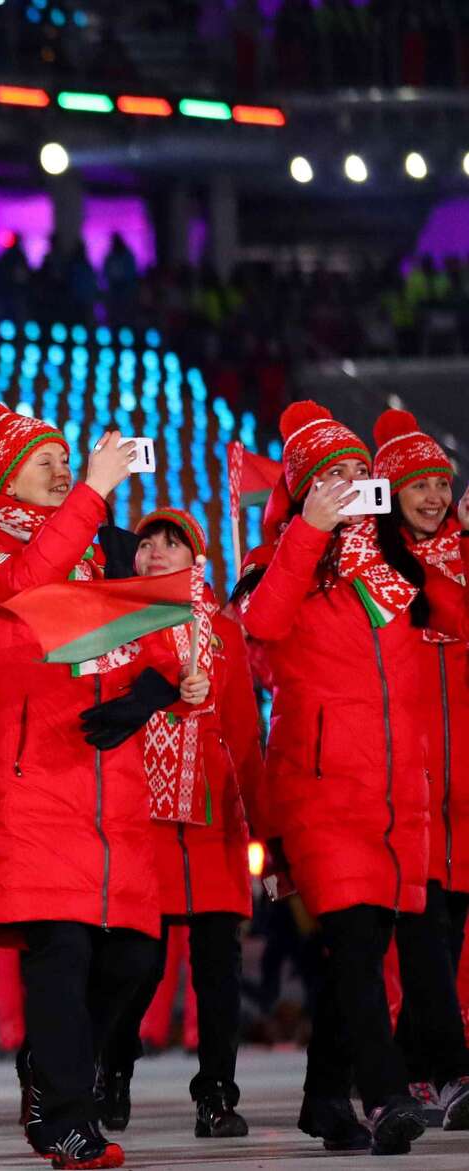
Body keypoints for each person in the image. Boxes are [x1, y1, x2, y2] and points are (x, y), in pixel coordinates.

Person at [0, 401, 163, 1169]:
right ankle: (71, 1118)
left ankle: (50, 1071)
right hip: (30, 785)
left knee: (135, 958)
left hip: (106, 790)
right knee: (61, 953)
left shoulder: (94, 554)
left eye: (65, 458)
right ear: (3, 475)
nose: (63, 466)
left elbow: (141, 641)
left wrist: (153, 690)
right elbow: (29, 577)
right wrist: (96, 492)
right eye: (43, 459)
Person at [239, 401, 436, 1154]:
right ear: (305, 487)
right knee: (354, 941)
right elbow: (261, 625)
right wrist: (308, 530)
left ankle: (325, 1097)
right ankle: (385, 1094)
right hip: (320, 788)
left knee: (361, 952)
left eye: (361, 472)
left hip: (393, 795)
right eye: (336, 475)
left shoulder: (397, 574)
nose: (354, 484)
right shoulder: (280, 565)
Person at [94, 510, 264, 1140]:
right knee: (136, 966)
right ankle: (115, 1065)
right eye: (146, 543)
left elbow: (247, 737)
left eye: (173, 543)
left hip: (213, 821)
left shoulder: (224, 631)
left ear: (196, 556)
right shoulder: (118, 623)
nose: (157, 552)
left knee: (219, 970)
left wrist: (266, 832)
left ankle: (216, 1093)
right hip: (140, 821)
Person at [370, 408, 469, 1128]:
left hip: (464, 777)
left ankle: (436, 1061)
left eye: (443, 482)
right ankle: (432, 1064)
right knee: (417, 927)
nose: (434, 495)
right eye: (418, 484)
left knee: (454, 924)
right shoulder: (369, 558)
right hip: (401, 772)